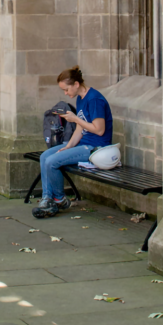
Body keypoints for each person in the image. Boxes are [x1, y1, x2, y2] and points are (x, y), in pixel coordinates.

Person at [32, 66, 113, 220]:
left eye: (66, 89)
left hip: (95, 147)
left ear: (76, 84)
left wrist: (75, 119)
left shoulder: (94, 99)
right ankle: (47, 198)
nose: (65, 93)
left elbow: (99, 130)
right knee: (45, 156)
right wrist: (68, 146)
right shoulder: (80, 98)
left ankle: (59, 199)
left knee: (52, 162)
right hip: (82, 142)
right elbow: (80, 129)